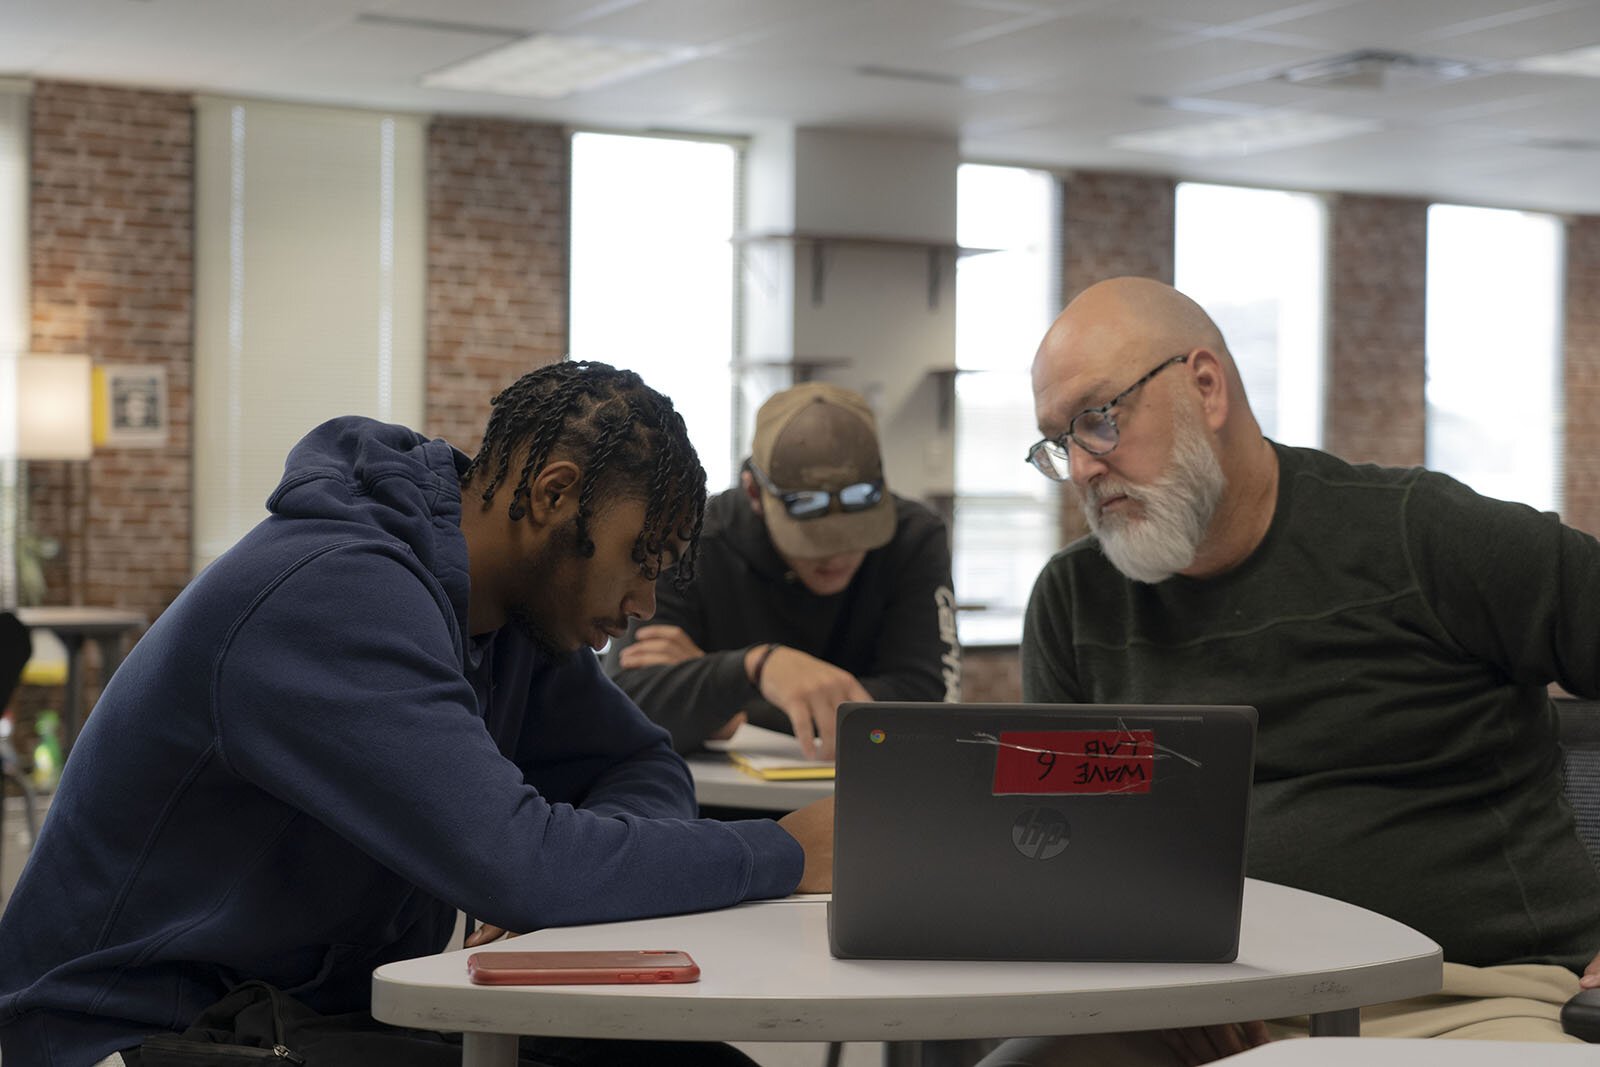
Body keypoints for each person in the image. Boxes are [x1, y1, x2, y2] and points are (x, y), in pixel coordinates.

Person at [0, 361, 833, 1067]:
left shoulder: (508, 613)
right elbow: (518, 861)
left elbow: (639, 764)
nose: (645, 603)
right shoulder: (334, 592)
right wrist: (786, 850)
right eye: (637, 560)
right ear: (554, 493)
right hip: (129, 1033)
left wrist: (563, 885)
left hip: (297, 1016)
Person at [984, 276, 1600, 1064]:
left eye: (1098, 420)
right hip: (1185, 1008)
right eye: (1058, 442)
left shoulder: (1422, 537)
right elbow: (1066, 851)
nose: (1079, 468)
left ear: (1205, 386)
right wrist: (1143, 973)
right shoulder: (1076, 601)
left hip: (1463, 998)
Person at [606, 381, 960, 761]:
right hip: (715, 809)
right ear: (755, 494)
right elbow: (625, 705)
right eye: (812, 538)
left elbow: (926, 709)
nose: (838, 551)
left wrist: (721, 693)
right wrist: (755, 667)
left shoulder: (914, 536)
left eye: (857, 532)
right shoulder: (693, 539)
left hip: (869, 801)